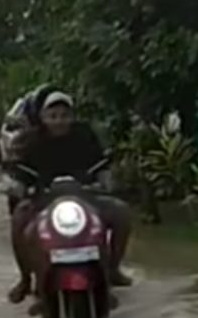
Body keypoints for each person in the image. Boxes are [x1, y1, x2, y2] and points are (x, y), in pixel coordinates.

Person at [9, 90, 133, 303]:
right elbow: (18, 171)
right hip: (44, 200)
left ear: (72, 116)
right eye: (53, 115)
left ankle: (112, 269)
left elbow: (102, 164)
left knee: (121, 212)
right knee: (18, 219)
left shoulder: (85, 135)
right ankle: (25, 280)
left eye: (64, 115)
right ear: (43, 117)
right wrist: (17, 187)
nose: (59, 121)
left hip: (85, 197)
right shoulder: (30, 140)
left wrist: (108, 180)